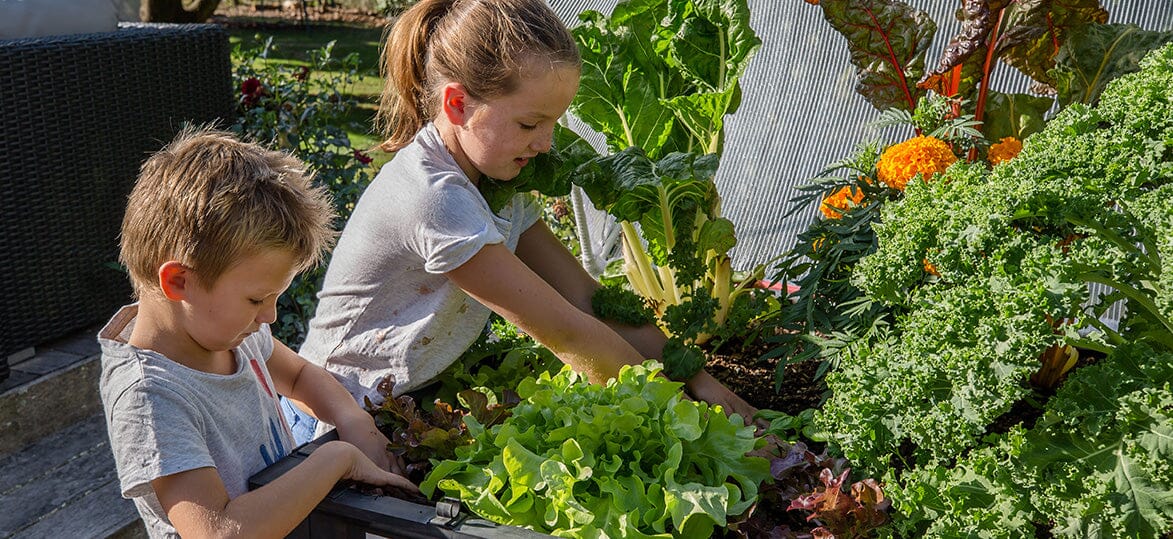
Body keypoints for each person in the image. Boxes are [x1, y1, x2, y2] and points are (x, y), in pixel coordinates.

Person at [286, 0, 760, 443]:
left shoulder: (498, 184)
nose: (546, 143)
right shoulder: (435, 200)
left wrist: (698, 378)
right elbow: (567, 334)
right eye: (530, 124)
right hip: (328, 423)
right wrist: (695, 426)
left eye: (554, 123)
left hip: (399, 412)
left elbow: (587, 300)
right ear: (457, 105)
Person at [99, 127, 417, 538]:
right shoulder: (150, 397)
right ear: (179, 282)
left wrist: (349, 416)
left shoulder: (229, 332)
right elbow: (219, 532)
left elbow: (301, 376)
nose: (268, 316)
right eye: (256, 299)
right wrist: (336, 458)